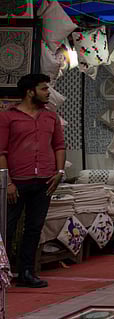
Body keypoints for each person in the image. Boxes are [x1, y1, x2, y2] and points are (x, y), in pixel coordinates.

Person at [0, 73, 65, 288]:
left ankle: (26, 272)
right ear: (30, 92)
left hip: (45, 180)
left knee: (34, 228)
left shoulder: (51, 117)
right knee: (6, 229)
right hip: (17, 181)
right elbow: (1, 151)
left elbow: (59, 146)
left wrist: (60, 172)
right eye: (44, 89)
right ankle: (4, 273)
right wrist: (7, 182)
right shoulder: (8, 117)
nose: (48, 93)